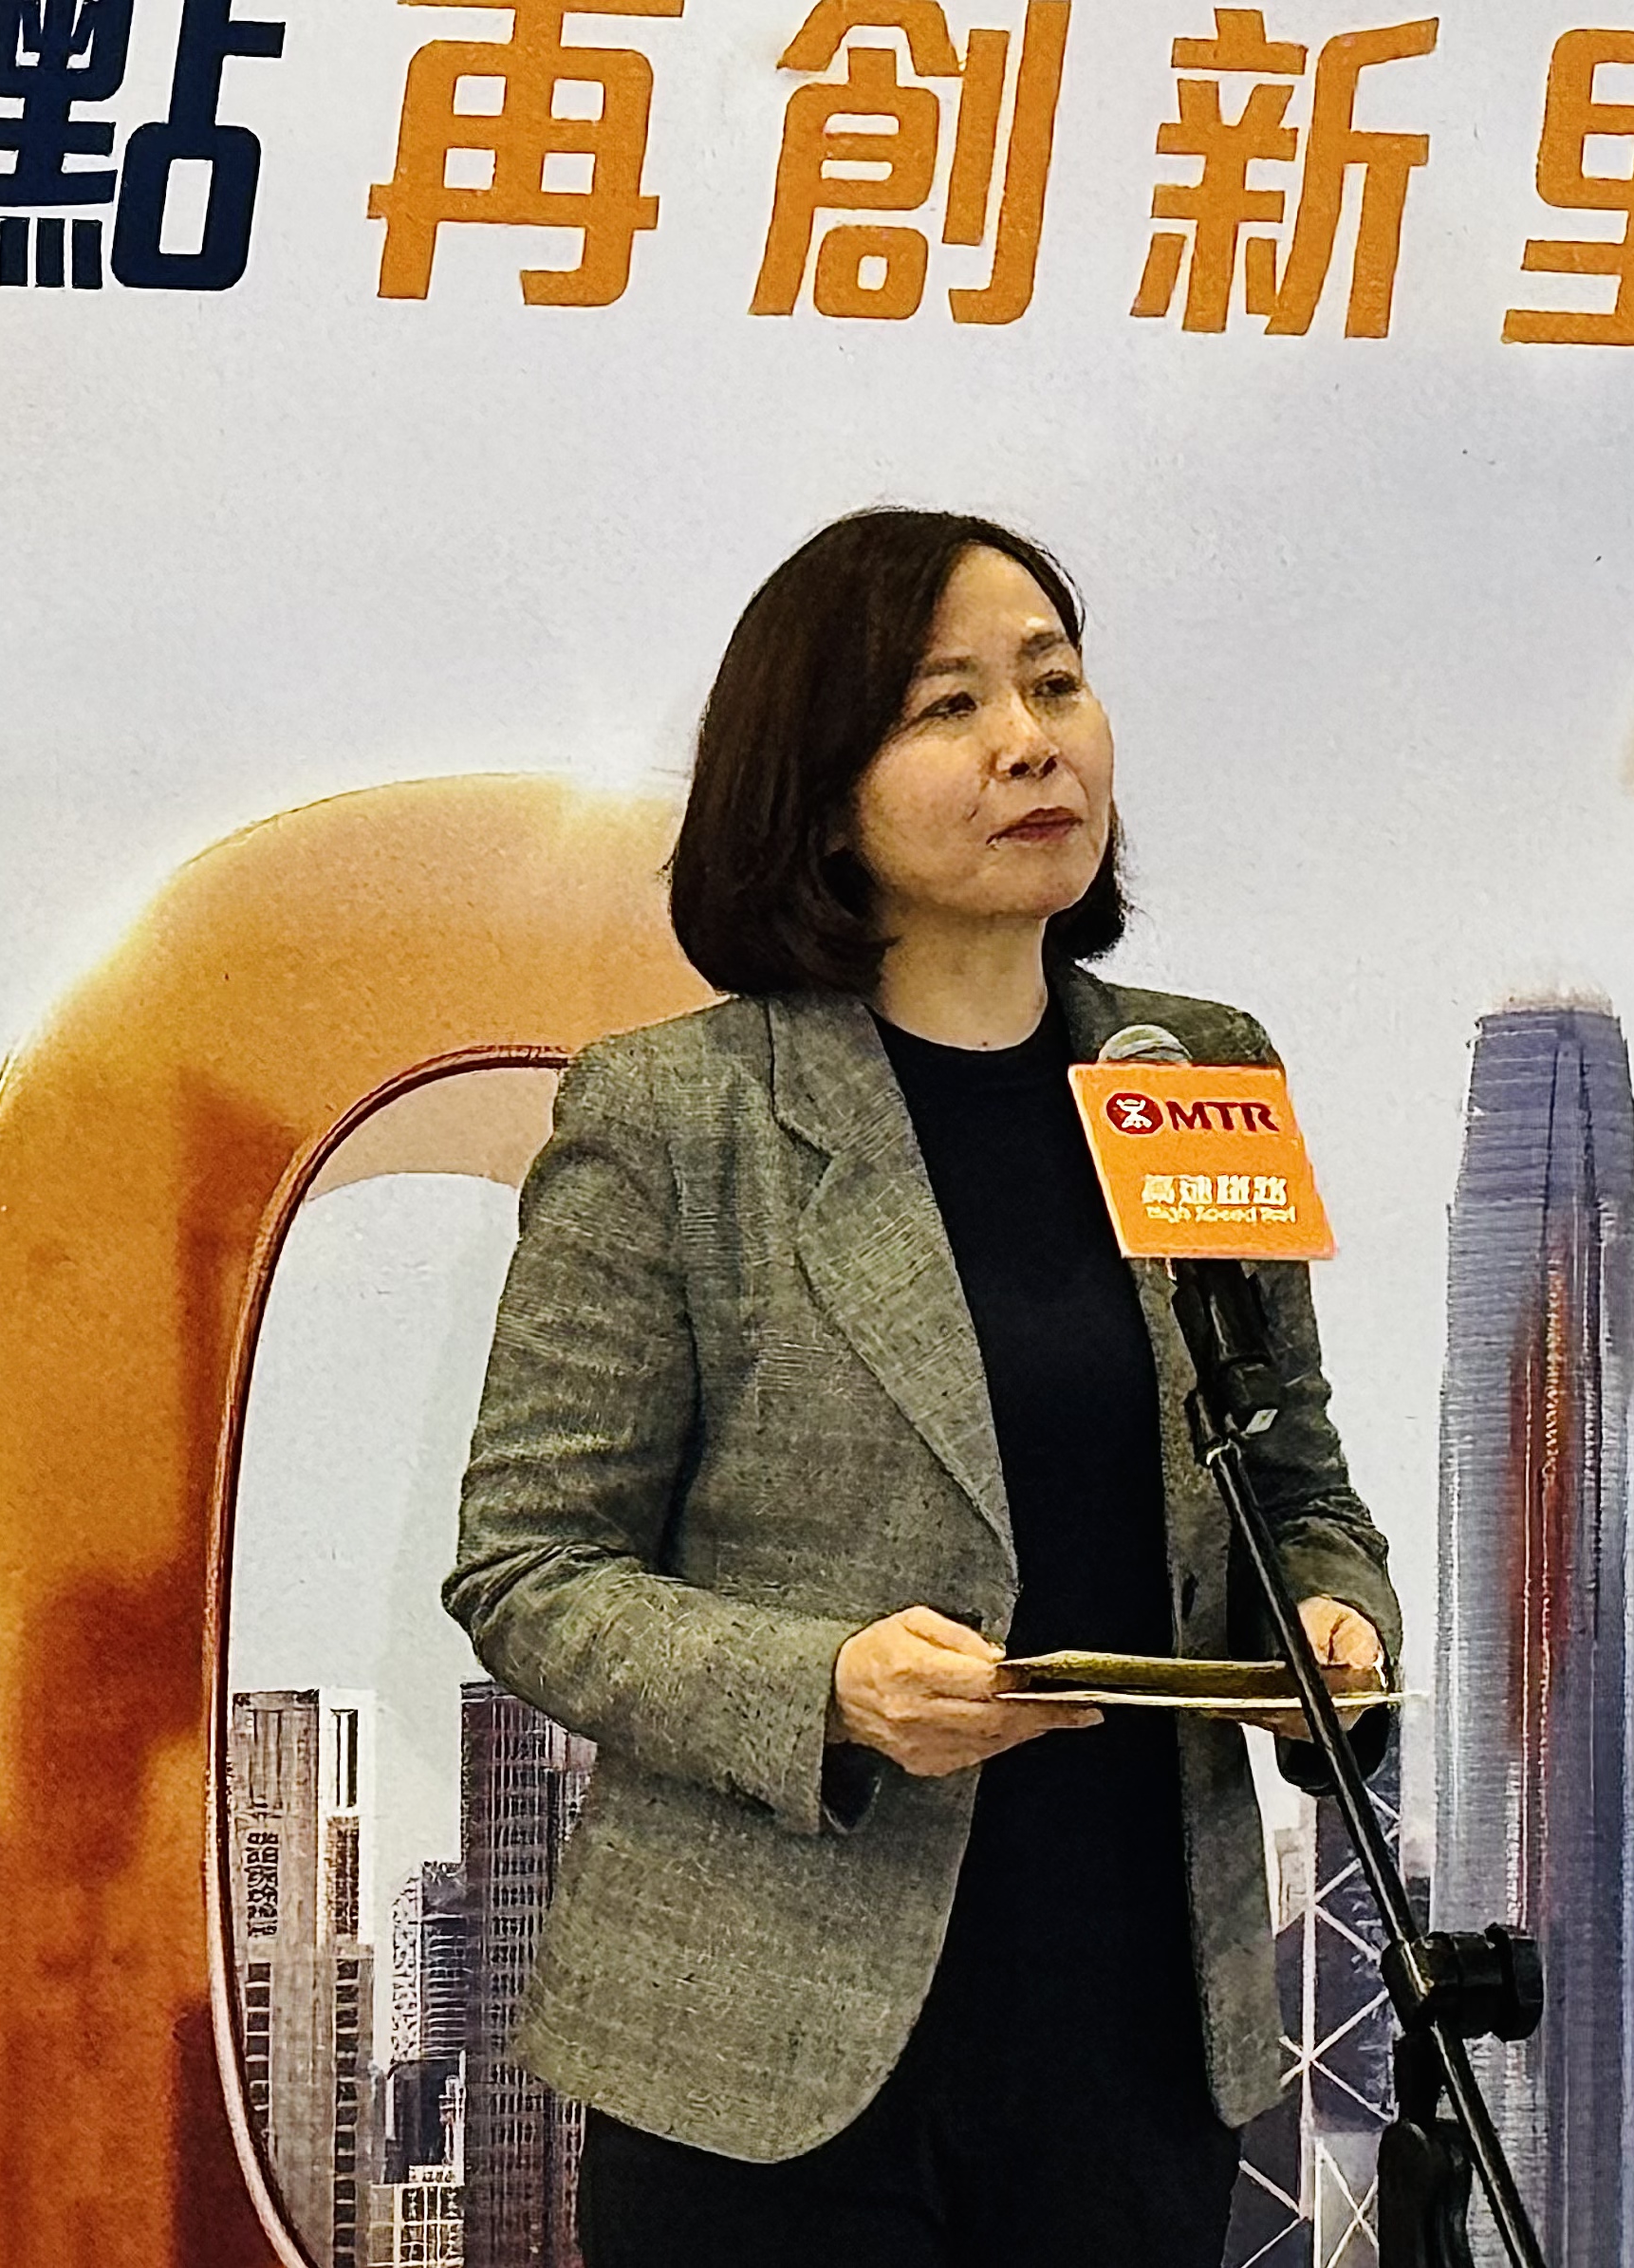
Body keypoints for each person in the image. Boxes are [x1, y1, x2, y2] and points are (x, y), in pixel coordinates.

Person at [446, 508, 1401, 2267]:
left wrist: (1333, 1618)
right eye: (948, 705)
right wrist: (823, 1683)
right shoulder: (679, 1116)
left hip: (1135, 2029)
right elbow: (529, 1566)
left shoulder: (1191, 1068)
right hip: (765, 2059)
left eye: (1055, 682)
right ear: (820, 798)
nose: (1032, 741)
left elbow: (1293, 1482)